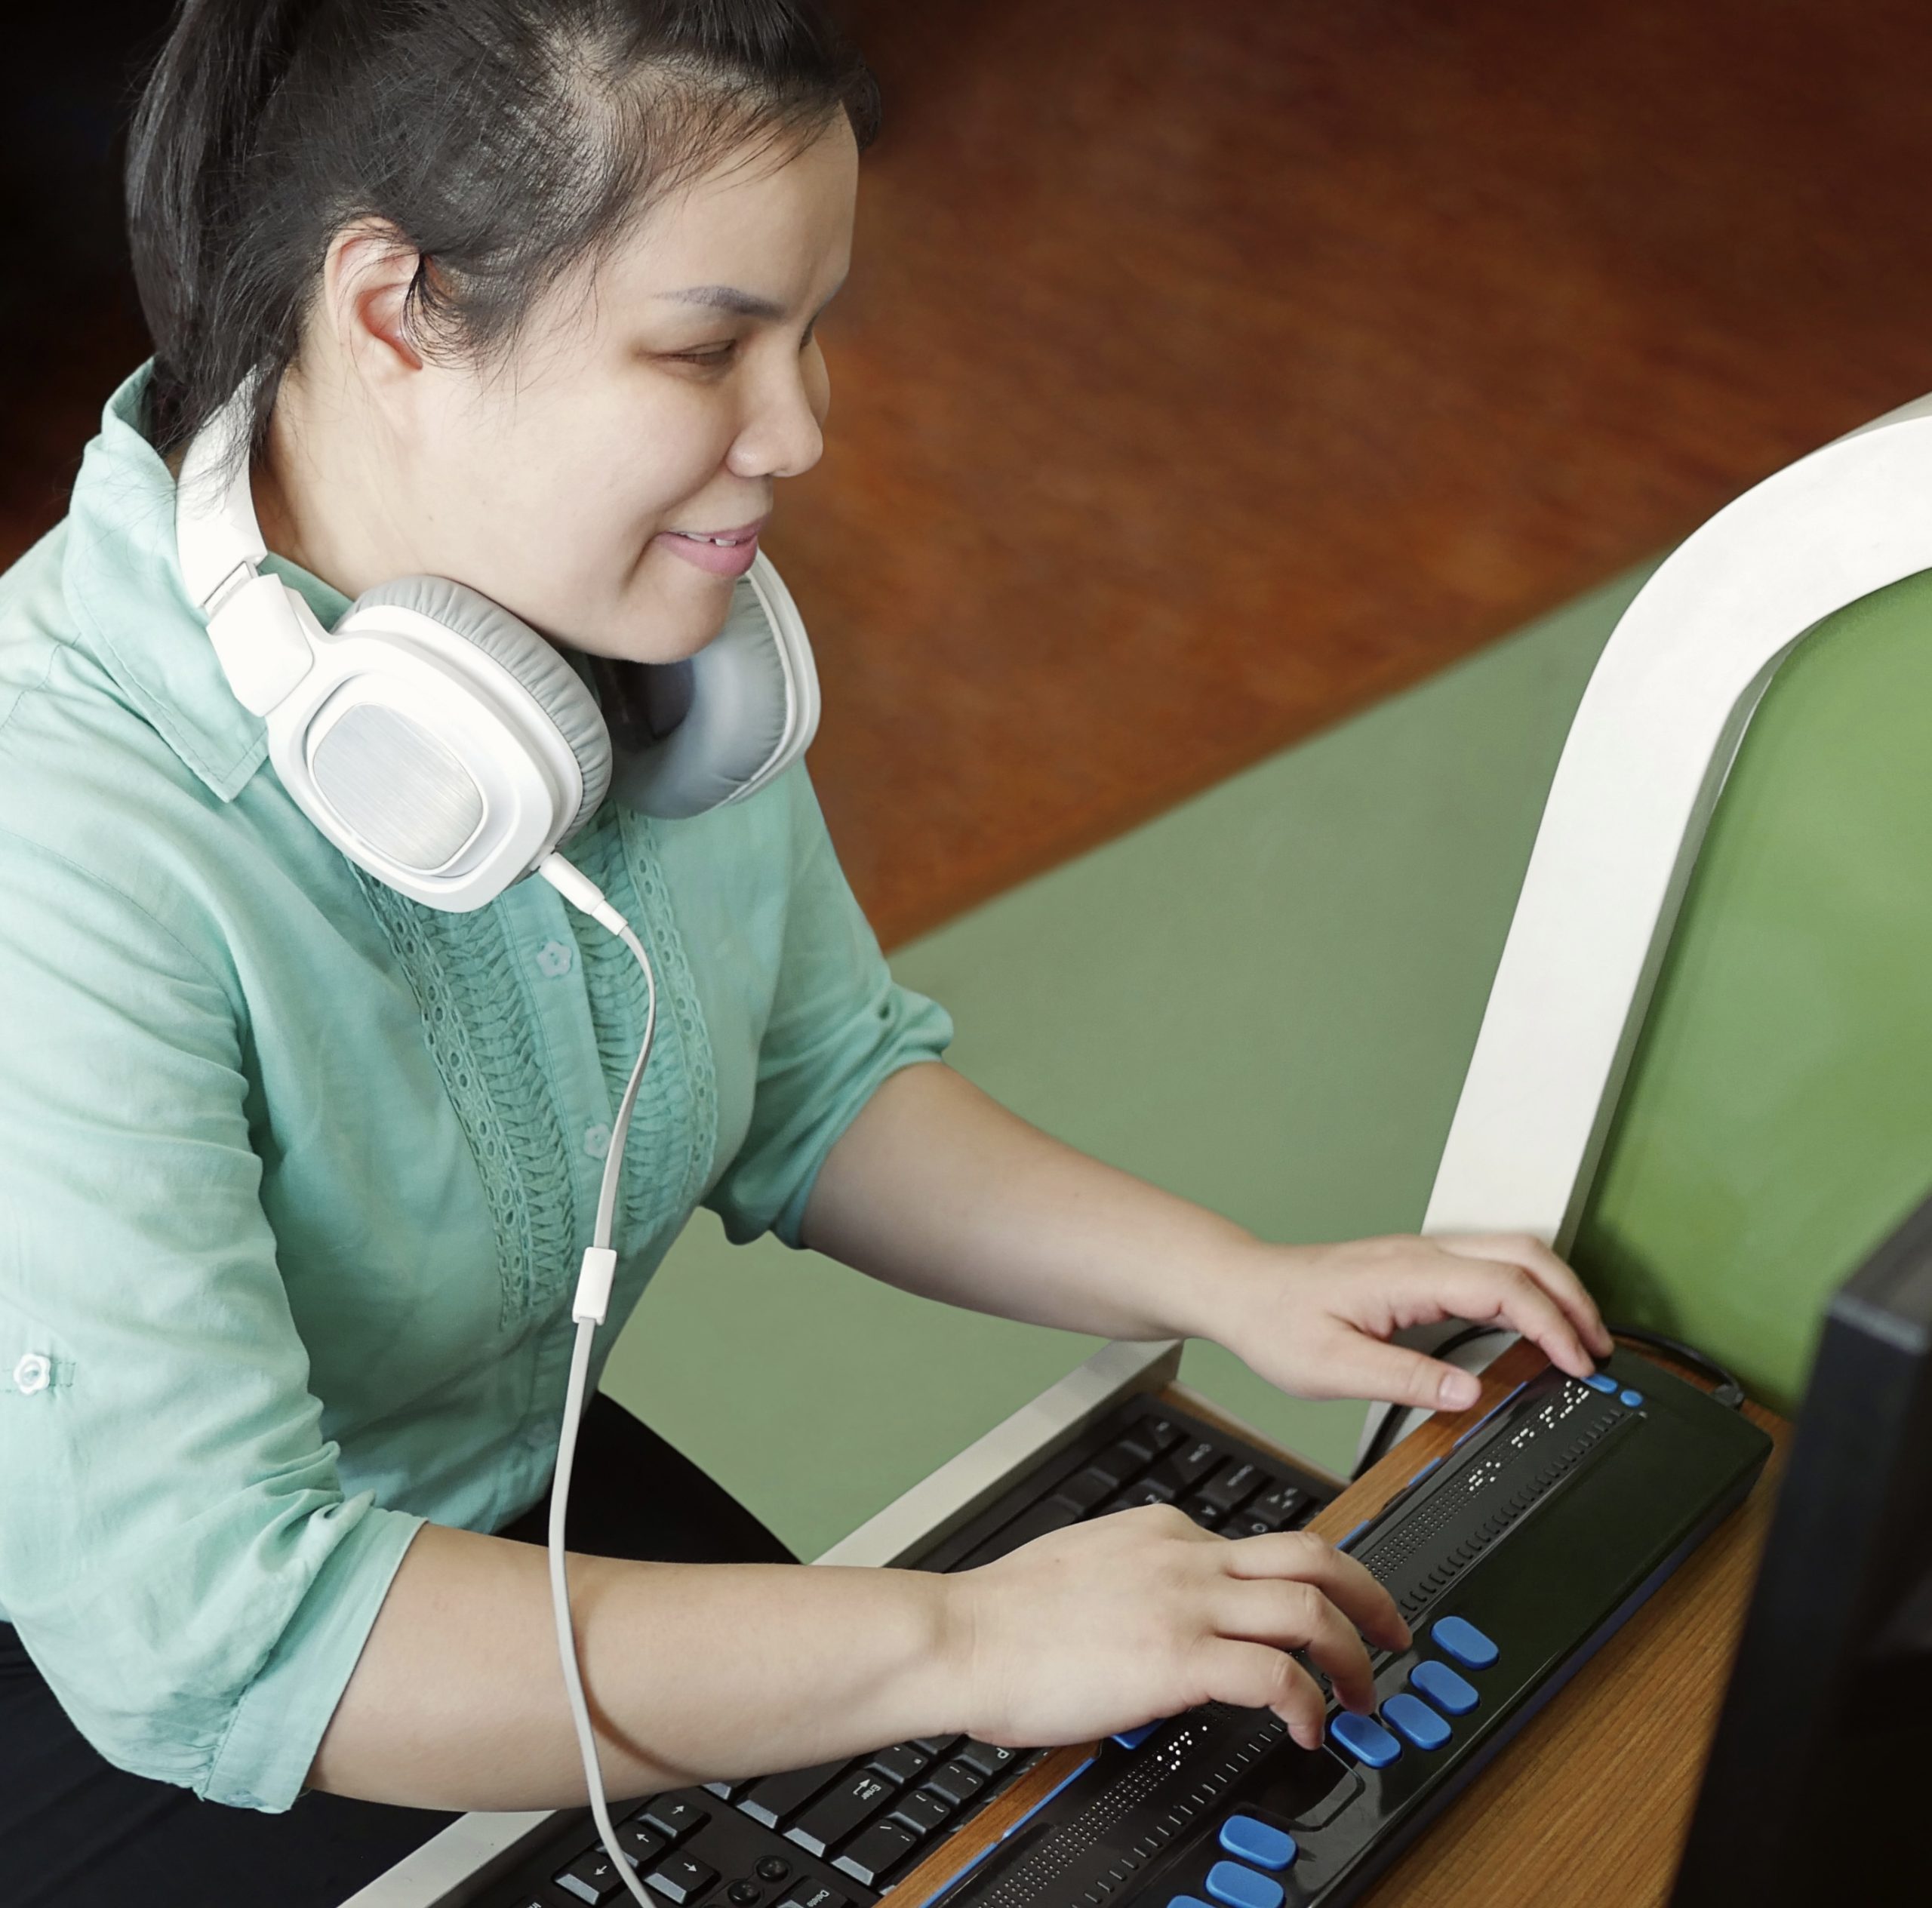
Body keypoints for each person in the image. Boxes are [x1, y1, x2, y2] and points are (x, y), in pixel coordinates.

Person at [0, 2, 1613, 1901]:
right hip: (132, 1655)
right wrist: (958, 1641)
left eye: (808, 327)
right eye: (705, 349)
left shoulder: (602, 623)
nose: (799, 430)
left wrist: (1240, 1280)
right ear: (394, 311)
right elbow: (229, 1630)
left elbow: (808, 1073)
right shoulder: (58, 835)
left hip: (499, 1501)